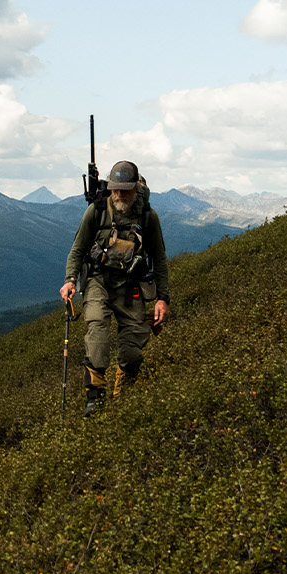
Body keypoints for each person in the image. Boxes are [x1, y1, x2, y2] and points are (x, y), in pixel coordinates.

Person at [59, 160, 170, 416]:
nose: (119, 194)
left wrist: (163, 298)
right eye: (115, 189)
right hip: (99, 280)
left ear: (136, 187)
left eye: (125, 190)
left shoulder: (147, 217)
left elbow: (160, 258)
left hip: (132, 285)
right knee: (97, 334)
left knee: (132, 352)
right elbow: (77, 249)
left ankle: (124, 395)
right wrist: (70, 280)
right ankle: (95, 399)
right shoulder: (96, 211)